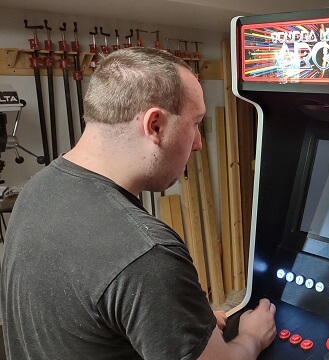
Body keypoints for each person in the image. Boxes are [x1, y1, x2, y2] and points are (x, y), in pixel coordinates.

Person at [0, 48, 276, 359]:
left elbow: (88, 317)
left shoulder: (38, 188)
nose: (198, 143)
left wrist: (176, 321)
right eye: (195, 123)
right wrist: (251, 338)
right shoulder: (146, 253)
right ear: (155, 125)